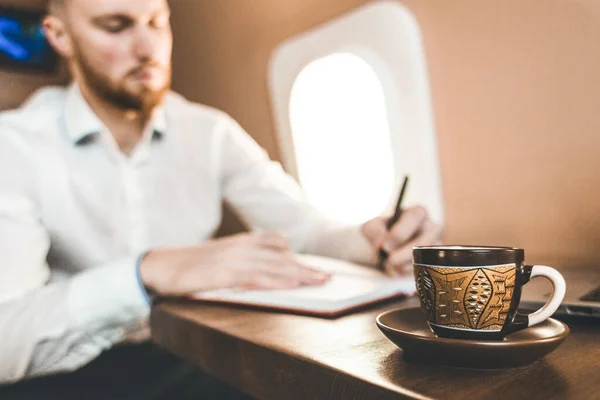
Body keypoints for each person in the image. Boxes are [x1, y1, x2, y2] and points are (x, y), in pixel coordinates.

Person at [0, 0, 442, 397]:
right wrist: (148, 272)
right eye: (116, 26)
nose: (147, 47)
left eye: (157, 23)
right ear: (59, 36)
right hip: (67, 374)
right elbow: (7, 343)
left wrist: (372, 242)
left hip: (191, 355)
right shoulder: (15, 145)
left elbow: (305, 229)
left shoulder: (210, 132)